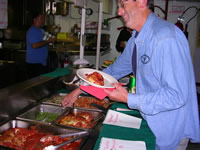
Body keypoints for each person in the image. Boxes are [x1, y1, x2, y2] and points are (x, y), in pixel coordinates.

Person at [62, 0, 200, 149]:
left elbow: (177, 95)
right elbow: (113, 71)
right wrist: (80, 90)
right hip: (150, 119)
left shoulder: (165, 37)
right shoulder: (136, 37)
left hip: (170, 127)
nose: (119, 12)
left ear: (141, 1)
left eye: (123, 4)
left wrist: (128, 98)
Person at [26, 12, 56, 78]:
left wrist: (53, 35)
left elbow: (48, 41)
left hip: (42, 63)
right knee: (34, 85)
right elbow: (34, 45)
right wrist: (48, 41)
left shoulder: (42, 30)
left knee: (40, 84)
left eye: (43, 19)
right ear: (35, 20)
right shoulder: (32, 31)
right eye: (41, 19)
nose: (43, 21)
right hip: (34, 65)